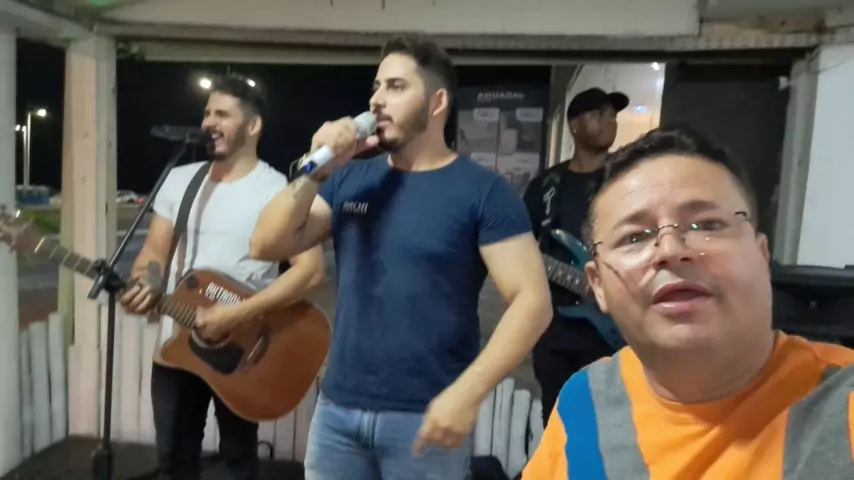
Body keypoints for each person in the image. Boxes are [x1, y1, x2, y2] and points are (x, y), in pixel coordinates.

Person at [250, 35, 552, 479]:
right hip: (336, 412)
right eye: (376, 87)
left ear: (437, 102)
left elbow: (532, 302)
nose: (376, 100)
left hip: (426, 419)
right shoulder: (350, 179)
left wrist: (468, 393)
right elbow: (265, 244)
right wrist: (317, 166)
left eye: (395, 87)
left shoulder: (483, 191)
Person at [522, 126, 854, 479]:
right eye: (633, 237)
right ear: (598, 285)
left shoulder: (842, 404)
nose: (670, 250)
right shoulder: (583, 403)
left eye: (706, 224)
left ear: (761, 255)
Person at [119, 74, 325, 480]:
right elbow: (154, 252)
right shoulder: (181, 180)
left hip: (244, 348)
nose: (208, 122)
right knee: (174, 462)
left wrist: (236, 314)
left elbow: (310, 271)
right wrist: (146, 279)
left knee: (238, 461)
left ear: (253, 126)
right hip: (177, 347)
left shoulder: (277, 190)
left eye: (222, 114)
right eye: (206, 113)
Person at [522, 87, 629, 425]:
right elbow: (518, 246)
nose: (610, 121)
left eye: (613, 115)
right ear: (574, 125)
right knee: (556, 418)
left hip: (612, 330)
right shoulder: (546, 186)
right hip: (554, 332)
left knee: (609, 422)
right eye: (599, 114)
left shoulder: (626, 181)